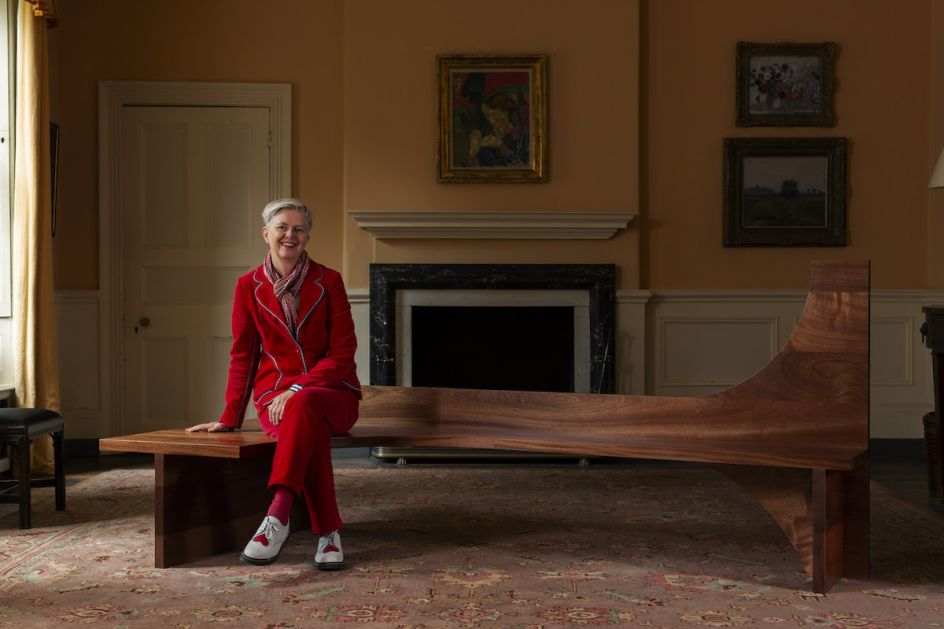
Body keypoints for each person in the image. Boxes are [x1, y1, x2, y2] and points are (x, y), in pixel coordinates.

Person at [187, 198, 361, 570]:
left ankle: (277, 518)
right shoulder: (247, 286)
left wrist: (299, 388)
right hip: (275, 400)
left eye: (299, 229)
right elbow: (243, 356)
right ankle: (328, 533)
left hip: (334, 394)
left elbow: (344, 352)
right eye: (282, 227)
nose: (290, 235)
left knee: (304, 406)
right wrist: (230, 416)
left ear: (307, 236)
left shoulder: (329, 280)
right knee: (305, 423)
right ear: (266, 233)